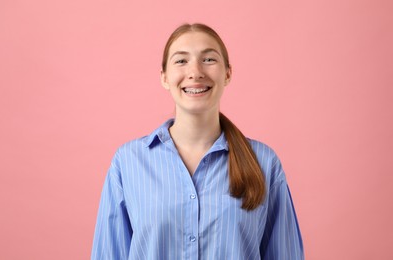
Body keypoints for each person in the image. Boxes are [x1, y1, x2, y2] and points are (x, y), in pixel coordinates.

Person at [91, 23, 304, 260]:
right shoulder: (128, 163)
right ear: (164, 77)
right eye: (181, 61)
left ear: (228, 74)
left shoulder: (264, 162)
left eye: (209, 59)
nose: (195, 72)